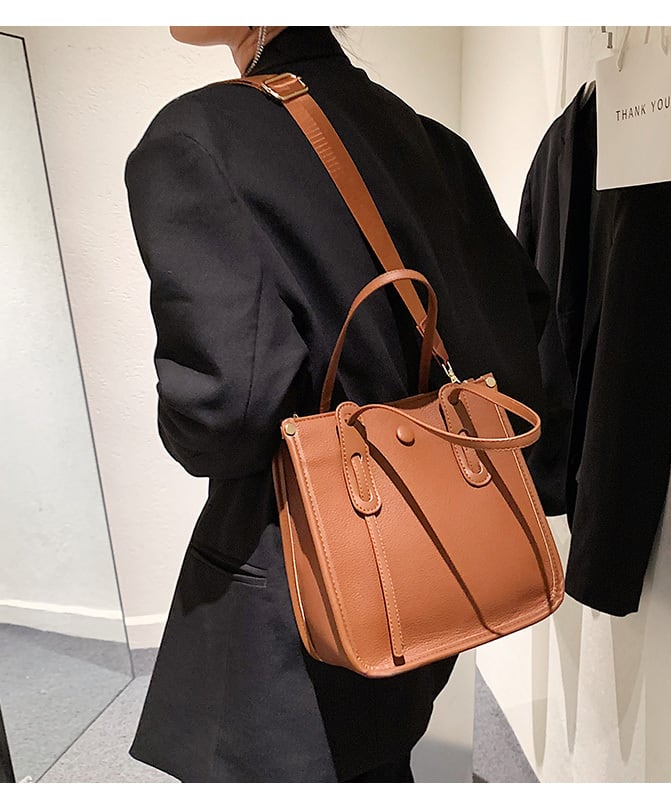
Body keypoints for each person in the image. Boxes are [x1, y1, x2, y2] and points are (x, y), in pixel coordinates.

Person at [125, 25, 549, 783]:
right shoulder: (434, 143)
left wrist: (177, 417)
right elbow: (521, 349)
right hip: (429, 558)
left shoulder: (196, 136)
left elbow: (225, 415)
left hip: (302, 583)